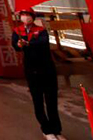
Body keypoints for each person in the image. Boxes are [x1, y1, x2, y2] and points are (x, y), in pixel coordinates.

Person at [12, 8, 65, 140]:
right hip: (31, 70)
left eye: (28, 15)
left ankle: (56, 130)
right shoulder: (17, 31)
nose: (25, 17)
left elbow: (43, 42)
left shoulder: (41, 30)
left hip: (47, 69)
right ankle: (46, 130)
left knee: (51, 100)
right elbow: (15, 46)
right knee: (38, 100)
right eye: (23, 15)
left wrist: (28, 43)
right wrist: (19, 44)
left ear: (33, 16)